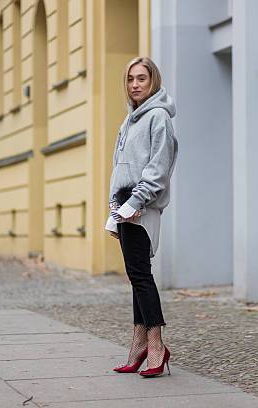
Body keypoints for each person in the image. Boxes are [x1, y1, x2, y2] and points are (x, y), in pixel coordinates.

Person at [104, 56, 178, 378]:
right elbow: (118, 170)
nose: (135, 84)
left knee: (142, 278)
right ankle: (139, 343)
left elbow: (158, 169)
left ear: (153, 82)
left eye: (142, 79)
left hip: (141, 207)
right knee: (136, 277)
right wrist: (113, 211)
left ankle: (156, 345)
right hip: (125, 207)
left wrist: (134, 203)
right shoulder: (129, 120)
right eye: (131, 79)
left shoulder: (158, 117)